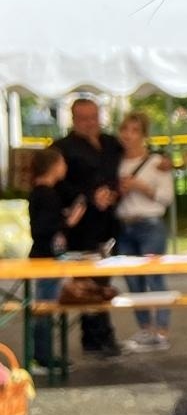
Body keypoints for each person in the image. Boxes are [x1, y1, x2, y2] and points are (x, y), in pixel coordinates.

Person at [53, 98, 123, 354]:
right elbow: (58, 184)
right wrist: (90, 196)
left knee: (104, 280)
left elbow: (124, 168)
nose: (89, 123)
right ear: (73, 119)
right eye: (83, 118)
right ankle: (96, 337)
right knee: (85, 284)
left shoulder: (110, 143)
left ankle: (101, 335)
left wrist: (113, 193)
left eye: (93, 117)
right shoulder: (62, 147)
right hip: (81, 226)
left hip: (109, 223)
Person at [116, 112, 176, 352]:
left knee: (154, 277)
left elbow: (165, 198)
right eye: (125, 129)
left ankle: (161, 330)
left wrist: (140, 186)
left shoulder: (156, 163)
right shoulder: (117, 162)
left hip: (150, 224)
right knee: (132, 279)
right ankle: (144, 328)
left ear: (144, 135)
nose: (128, 135)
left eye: (134, 130)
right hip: (124, 224)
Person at [27, 147, 85, 370]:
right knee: (46, 307)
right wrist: (68, 222)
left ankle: (44, 354)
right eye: (62, 163)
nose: (66, 167)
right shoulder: (46, 194)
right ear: (53, 166)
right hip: (46, 258)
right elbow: (42, 228)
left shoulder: (45, 193)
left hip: (50, 256)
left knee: (49, 305)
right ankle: (41, 356)